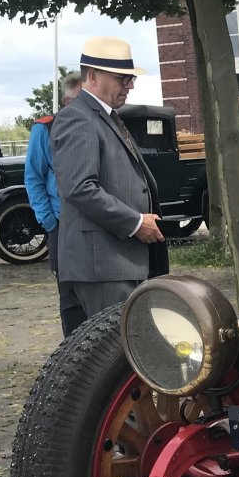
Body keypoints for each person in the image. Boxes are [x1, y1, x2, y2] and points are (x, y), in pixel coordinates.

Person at [50, 36, 166, 318]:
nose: (130, 85)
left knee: (114, 355)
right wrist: (135, 222)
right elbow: (79, 187)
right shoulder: (78, 118)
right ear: (93, 76)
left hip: (112, 264)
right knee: (113, 355)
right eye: (122, 78)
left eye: (130, 78)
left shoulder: (104, 116)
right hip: (102, 266)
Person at [25, 73, 87, 335]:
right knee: (70, 296)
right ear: (66, 101)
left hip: (95, 223)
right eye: (80, 100)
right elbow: (33, 177)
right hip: (62, 224)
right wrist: (49, 220)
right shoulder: (45, 129)